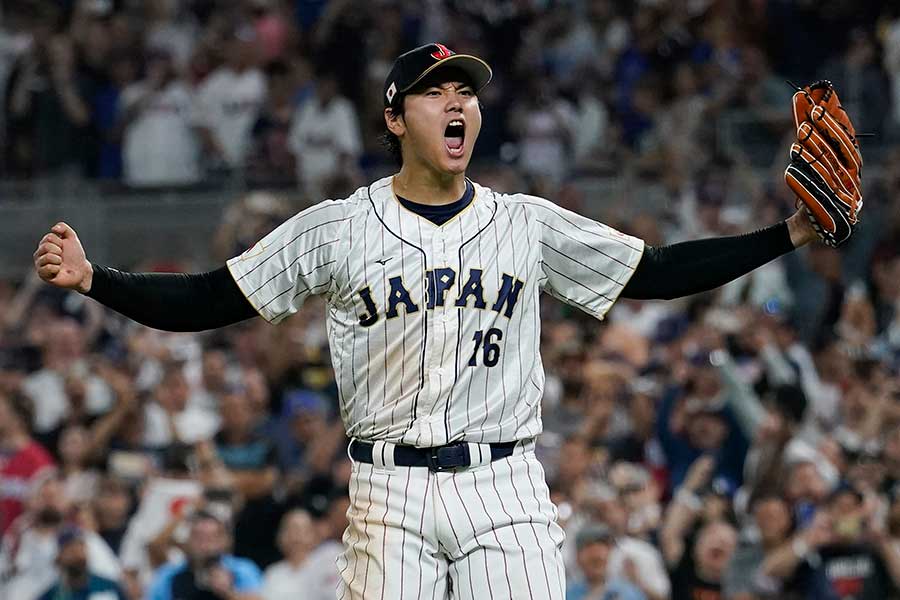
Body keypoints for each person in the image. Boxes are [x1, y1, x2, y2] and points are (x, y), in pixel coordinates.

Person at [33, 43, 839, 597]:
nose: (458, 104)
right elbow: (209, 298)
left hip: (508, 485)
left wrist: (789, 233)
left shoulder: (527, 222)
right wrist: (96, 279)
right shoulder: (339, 228)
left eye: (468, 93)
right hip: (389, 490)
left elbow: (656, 273)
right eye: (436, 92)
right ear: (394, 118)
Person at [145, 510, 263, 600]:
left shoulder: (242, 569)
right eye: (198, 537)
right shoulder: (169, 574)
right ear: (187, 540)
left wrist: (229, 593)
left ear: (225, 541)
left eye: (212, 537)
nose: (204, 544)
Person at [37, 526, 127, 600]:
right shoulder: (53, 594)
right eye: (71, 550)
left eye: (81, 548)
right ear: (60, 558)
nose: (78, 555)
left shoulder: (108, 586)